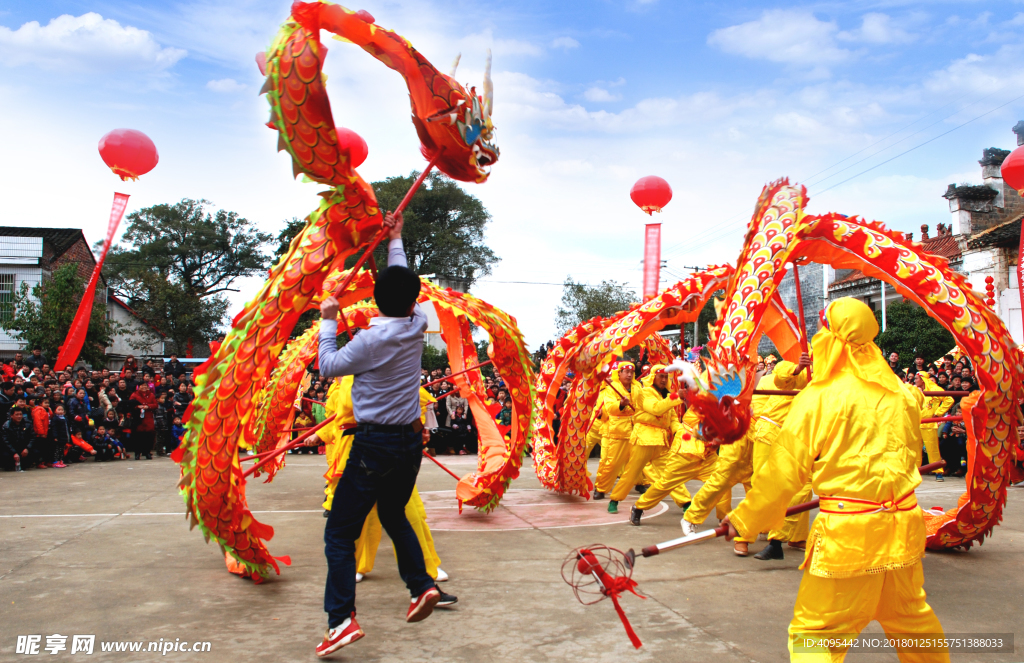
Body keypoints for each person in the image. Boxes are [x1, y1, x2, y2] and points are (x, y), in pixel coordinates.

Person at [724, 298, 948, 661]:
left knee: (814, 635)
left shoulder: (820, 397)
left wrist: (746, 519)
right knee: (912, 622)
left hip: (849, 535)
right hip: (903, 528)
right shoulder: (903, 394)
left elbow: (783, 472)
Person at [314, 210, 440, 656]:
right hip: (408, 445)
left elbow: (327, 366)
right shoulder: (417, 325)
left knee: (338, 534)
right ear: (412, 303)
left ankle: (341, 620)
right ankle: (421, 585)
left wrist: (329, 319)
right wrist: (396, 239)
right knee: (393, 514)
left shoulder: (368, 342)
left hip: (373, 446)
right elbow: (404, 282)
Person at [606, 365, 684, 514]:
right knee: (631, 472)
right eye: (660, 376)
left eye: (666, 377)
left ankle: (685, 501)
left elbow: (673, 419)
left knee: (671, 473)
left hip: (661, 442)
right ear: (653, 377)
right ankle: (615, 499)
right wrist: (677, 397)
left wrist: (682, 433)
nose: (663, 379)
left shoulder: (667, 396)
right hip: (644, 438)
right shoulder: (645, 393)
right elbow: (656, 409)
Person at [593, 361, 640, 501]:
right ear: (618, 373)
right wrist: (620, 404)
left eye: (631, 372)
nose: (629, 374)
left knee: (641, 461)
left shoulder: (638, 388)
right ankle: (601, 488)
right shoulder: (610, 389)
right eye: (626, 372)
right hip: (617, 431)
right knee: (611, 463)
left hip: (636, 429)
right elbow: (610, 407)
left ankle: (641, 482)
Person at [129, 382, 157, 460]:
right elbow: (130, 404)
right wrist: (138, 406)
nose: (144, 387)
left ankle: (147, 452)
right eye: (142, 386)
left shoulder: (151, 395)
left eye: (145, 386)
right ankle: (137, 453)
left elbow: (155, 405)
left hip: (148, 418)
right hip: (138, 419)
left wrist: (148, 406)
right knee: (138, 437)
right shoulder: (135, 395)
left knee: (148, 436)